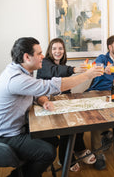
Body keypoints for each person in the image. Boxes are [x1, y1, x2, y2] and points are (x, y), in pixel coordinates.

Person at [0, 37, 103, 177]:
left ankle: (31, 169)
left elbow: (35, 93)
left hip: (9, 130)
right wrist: (86, 75)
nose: (43, 56)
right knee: (47, 152)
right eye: (39, 53)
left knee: (53, 139)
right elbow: (51, 86)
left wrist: (43, 101)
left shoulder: (21, 71)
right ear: (27, 57)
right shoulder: (16, 78)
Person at [36, 38, 96, 172]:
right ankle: (64, 158)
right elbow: (55, 72)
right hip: (44, 102)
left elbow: (66, 86)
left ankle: (79, 149)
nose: (58, 51)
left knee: (81, 116)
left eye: (61, 48)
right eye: (55, 48)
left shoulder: (63, 65)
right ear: (49, 51)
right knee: (67, 124)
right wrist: (74, 69)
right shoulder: (45, 63)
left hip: (60, 101)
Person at [86, 35, 114, 170]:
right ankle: (99, 152)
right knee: (95, 118)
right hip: (97, 92)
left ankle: (106, 133)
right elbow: (95, 68)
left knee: (109, 112)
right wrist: (102, 69)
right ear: (110, 47)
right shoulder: (102, 58)